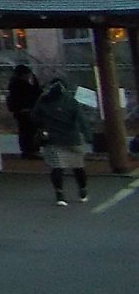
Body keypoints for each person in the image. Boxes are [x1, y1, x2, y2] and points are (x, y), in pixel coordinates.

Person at [29, 78, 94, 206]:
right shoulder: (71, 101)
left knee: (57, 167)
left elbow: (34, 117)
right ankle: (83, 190)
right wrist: (88, 136)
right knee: (78, 166)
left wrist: (44, 124)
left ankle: (60, 194)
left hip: (52, 138)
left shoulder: (44, 100)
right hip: (72, 138)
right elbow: (81, 119)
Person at [5, 64, 43, 159]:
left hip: (21, 112)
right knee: (29, 132)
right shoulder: (21, 85)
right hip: (25, 112)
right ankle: (31, 151)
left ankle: (28, 151)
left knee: (25, 132)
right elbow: (36, 93)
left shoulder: (14, 85)